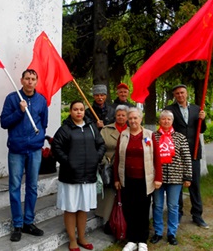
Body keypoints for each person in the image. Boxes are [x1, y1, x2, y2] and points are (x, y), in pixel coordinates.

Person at [0, 69, 48, 242]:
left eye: (33, 79)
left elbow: (44, 123)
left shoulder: (41, 100)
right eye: (27, 78)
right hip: (17, 150)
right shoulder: (12, 98)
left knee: (32, 187)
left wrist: (39, 138)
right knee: (14, 187)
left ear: (36, 81)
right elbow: (4, 122)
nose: (30, 81)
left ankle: (29, 221)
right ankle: (17, 224)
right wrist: (20, 111)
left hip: (34, 149)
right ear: (21, 80)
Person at [52, 100, 106, 251]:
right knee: (71, 208)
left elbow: (101, 144)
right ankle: (72, 240)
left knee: (83, 208)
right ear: (70, 111)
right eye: (75, 109)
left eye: (81, 109)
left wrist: (96, 158)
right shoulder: (65, 129)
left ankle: (82, 237)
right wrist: (67, 161)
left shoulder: (91, 127)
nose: (79, 112)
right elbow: (56, 147)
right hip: (70, 176)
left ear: (84, 111)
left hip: (88, 176)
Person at [113, 107, 162, 251]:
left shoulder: (149, 135)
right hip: (127, 179)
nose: (133, 121)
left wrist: (158, 178)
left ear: (141, 119)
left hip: (144, 180)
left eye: (136, 118)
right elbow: (117, 158)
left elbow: (157, 158)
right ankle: (132, 239)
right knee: (129, 209)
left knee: (142, 209)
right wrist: (116, 179)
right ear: (128, 120)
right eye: (131, 118)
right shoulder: (123, 135)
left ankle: (142, 240)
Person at [165, 84, 209, 228]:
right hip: (176, 154)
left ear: (187, 93)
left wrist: (203, 118)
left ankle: (197, 215)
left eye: (182, 92)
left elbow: (201, 130)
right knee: (177, 185)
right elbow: (167, 128)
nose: (180, 95)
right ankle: (177, 213)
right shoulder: (170, 110)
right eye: (177, 93)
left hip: (194, 152)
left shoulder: (196, 109)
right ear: (174, 95)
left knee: (194, 184)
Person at [150, 110, 193, 246]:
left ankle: (172, 233)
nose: (166, 121)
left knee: (173, 206)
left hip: (176, 178)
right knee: (157, 205)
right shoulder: (153, 137)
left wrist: (188, 177)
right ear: (160, 121)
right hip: (158, 178)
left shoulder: (180, 137)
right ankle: (158, 232)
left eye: (169, 119)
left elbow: (186, 158)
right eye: (163, 119)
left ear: (172, 121)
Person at [95, 104, 128, 233]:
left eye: (123, 115)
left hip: (126, 167)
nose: (120, 117)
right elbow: (99, 146)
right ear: (115, 116)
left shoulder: (132, 130)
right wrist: (104, 162)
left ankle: (123, 219)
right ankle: (107, 220)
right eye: (118, 115)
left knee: (124, 195)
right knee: (109, 195)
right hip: (109, 166)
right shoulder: (106, 130)